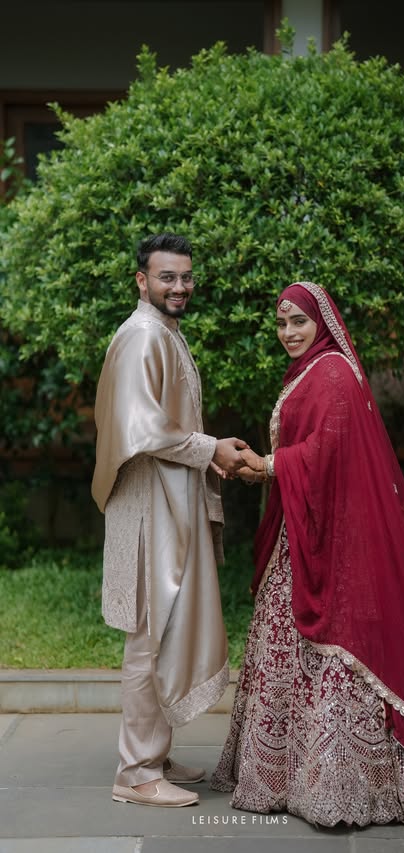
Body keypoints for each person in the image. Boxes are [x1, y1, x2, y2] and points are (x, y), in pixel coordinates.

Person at [211, 281, 404, 826]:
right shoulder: (310, 371)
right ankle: (291, 775)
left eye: (298, 323)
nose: (288, 333)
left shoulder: (331, 371)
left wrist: (264, 466)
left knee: (341, 650)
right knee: (293, 653)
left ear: (322, 323)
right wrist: (258, 467)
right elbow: (304, 454)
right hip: (305, 532)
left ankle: (347, 783)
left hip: (335, 544)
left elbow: (327, 451)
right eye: (282, 324)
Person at [91, 232, 248, 808]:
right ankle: (134, 773)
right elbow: (147, 430)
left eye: (185, 276)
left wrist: (212, 448)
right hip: (149, 500)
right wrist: (213, 451)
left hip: (169, 495)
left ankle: (153, 752)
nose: (179, 286)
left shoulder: (165, 333)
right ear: (142, 281)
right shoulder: (141, 337)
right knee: (148, 633)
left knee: (167, 624)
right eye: (167, 277)